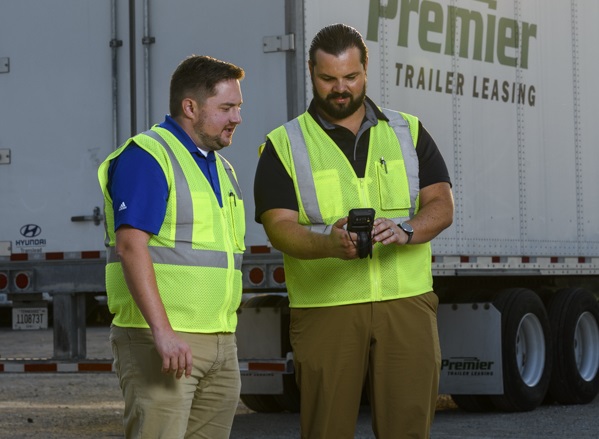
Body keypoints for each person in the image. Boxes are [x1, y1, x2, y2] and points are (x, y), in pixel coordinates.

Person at [254, 24, 454, 439]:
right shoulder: (284, 144)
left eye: (351, 77)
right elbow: (279, 228)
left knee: (409, 431)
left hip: (407, 306)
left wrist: (406, 228)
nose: (340, 89)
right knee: (326, 431)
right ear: (311, 71)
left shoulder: (408, 131)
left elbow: (442, 204)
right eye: (328, 78)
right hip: (326, 308)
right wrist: (328, 243)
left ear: (366, 68)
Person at [97, 55, 246, 439]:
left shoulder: (219, 166)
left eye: (238, 107)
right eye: (226, 107)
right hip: (162, 340)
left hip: (219, 340)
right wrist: (162, 332)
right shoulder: (148, 157)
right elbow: (131, 248)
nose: (237, 118)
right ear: (190, 107)